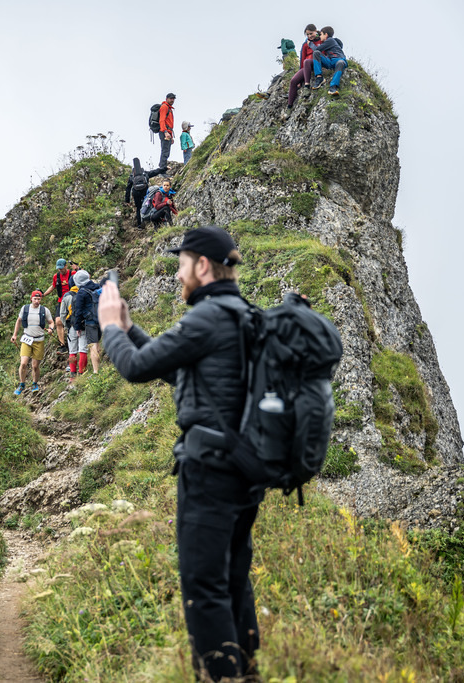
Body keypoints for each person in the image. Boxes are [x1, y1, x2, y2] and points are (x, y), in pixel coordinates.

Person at [98, 226, 262, 681]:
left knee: (204, 588)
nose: (176, 275)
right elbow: (175, 370)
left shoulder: (206, 318)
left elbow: (134, 368)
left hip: (209, 472)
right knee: (232, 580)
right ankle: (247, 673)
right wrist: (130, 328)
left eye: (181, 264)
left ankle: (221, 677)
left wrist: (110, 327)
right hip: (244, 471)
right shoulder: (241, 315)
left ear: (203, 266)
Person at [11, 290, 55, 395]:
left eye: (39, 299)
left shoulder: (44, 310)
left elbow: (51, 322)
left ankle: (35, 383)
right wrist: (15, 335)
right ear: (31, 299)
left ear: (41, 300)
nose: (37, 301)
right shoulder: (25, 308)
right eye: (35, 299)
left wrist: (51, 329)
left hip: (39, 340)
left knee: (35, 366)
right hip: (27, 339)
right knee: (23, 363)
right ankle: (22, 384)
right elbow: (18, 321)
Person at [70, 270, 101, 375]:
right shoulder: (98, 287)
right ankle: (100, 368)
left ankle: (96, 371)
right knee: (97, 345)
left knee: (93, 346)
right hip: (101, 319)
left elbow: (78, 312)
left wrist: (77, 327)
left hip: (90, 321)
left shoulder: (81, 293)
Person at [43, 258, 76, 353]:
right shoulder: (56, 276)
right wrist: (44, 294)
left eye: (62, 268)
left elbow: (83, 278)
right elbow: (53, 286)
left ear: (66, 266)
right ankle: (62, 345)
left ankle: (75, 342)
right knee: (58, 321)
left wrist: (77, 268)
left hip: (72, 299)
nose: (60, 270)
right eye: (59, 269)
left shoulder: (73, 273)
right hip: (61, 301)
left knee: (73, 320)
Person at [124, 159, 166, 227]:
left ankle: (140, 224)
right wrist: (164, 168)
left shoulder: (132, 176)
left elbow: (128, 189)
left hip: (136, 193)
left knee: (138, 207)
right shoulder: (145, 174)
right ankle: (149, 219)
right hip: (144, 191)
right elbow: (155, 172)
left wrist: (127, 200)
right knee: (147, 204)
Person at [287, 24, 321, 108]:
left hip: (318, 62)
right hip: (306, 65)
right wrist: (300, 73)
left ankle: (307, 86)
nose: (309, 36)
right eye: (307, 34)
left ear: (315, 31)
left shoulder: (322, 40)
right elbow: (302, 58)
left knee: (307, 61)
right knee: (293, 81)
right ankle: (289, 106)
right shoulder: (305, 44)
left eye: (311, 33)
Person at [310, 26, 347, 96]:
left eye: (321, 34)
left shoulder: (330, 40)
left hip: (339, 60)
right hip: (330, 61)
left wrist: (310, 43)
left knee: (340, 63)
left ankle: (333, 87)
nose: (320, 37)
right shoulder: (328, 42)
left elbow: (317, 48)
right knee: (316, 53)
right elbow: (317, 51)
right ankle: (319, 77)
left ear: (326, 34)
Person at [60, 283, 80, 382]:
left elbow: (62, 313)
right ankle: (82, 371)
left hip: (72, 325)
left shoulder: (66, 296)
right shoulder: (84, 292)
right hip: (84, 326)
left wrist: (66, 325)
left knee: (72, 350)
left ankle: (72, 374)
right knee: (84, 349)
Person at [158, 93, 176, 170]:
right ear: (166, 98)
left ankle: (163, 168)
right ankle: (162, 170)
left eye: (173, 99)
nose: (172, 100)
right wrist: (165, 132)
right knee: (165, 151)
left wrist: (171, 136)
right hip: (164, 132)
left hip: (168, 132)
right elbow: (161, 120)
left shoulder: (169, 108)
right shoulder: (164, 107)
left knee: (166, 151)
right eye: (171, 98)